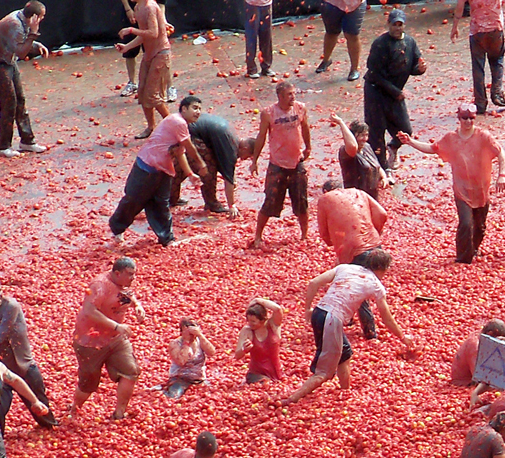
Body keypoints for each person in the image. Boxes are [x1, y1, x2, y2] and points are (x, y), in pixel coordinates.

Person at [298, 248, 415, 401]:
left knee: (345, 353)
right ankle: (291, 399)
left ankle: (345, 392)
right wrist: (402, 337)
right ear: (384, 268)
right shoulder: (375, 285)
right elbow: (386, 318)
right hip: (331, 319)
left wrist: (308, 308)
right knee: (324, 372)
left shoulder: (345, 268)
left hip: (318, 313)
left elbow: (314, 283)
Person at [398, 108, 505, 265]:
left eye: (471, 118)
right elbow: (433, 148)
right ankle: (463, 259)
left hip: (481, 190)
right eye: (465, 118)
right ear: (459, 119)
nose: (468, 121)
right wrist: (410, 142)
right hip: (462, 189)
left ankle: (473, 249)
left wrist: (501, 175)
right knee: (466, 223)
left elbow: (501, 154)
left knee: (480, 226)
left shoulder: (484, 136)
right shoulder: (451, 138)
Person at [108, 93, 203, 248]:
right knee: (134, 199)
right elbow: (189, 148)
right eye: (194, 108)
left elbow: (180, 153)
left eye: (199, 109)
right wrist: (201, 164)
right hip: (148, 165)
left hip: (163, 169)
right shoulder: (177, 121)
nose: (198, 112)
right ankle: (117, 227)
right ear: (184, 109)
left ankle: (167, 238)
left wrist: (190, 174)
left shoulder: (183, 127)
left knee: (161, 203)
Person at [0, 277, 57, 429]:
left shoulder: (11, 306)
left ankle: (50, 428)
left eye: (0, 290)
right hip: (2, 369)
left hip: (23, 365)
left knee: (41, 408)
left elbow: (1, 335)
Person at [71, 258, 145, 421]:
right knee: (88, 384)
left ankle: (119, 414)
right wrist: (116, 326)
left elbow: (127, 295)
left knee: (131, 371)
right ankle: (74, 409)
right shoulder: (99, 285)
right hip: (90, 342)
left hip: (115, 338)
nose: (133, 278)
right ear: (117, 273)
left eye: (134, 274)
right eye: (129, 274)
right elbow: (89, 310)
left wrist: (137, 306)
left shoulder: (124, 284)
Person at [0, 2, 51, 157]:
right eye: (41, 17)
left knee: (20, 100)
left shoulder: (21, 19)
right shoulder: (15, 24)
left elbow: (18, 42)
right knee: (9, 103)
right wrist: (34, 34)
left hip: (7, 61)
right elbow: (21, 52)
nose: (42, 20)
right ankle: (3, 146)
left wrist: (36, 44)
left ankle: (27, 141)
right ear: (34, 17)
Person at [249, 81, 313, 248]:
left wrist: (308, 147)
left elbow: (305, 127)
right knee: (270, 201)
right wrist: (254, 160)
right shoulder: (269, 113)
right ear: (280, 96)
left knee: (301, 201)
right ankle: (258, 236)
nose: (293, 97)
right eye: (289, 94)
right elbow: (261, 137)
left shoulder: (300, 108)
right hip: (277, 165)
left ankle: (304, 236)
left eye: (294, 93)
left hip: (297, 163)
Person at [363, 10, 425, 172]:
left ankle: (393, 148)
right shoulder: (380, 44)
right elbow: (374, 73)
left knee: (405, 130)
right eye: (394, 25)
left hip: (395, 93)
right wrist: (395, 91)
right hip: (376, 92)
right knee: (376, 132)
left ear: (404, 25)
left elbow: (413, 66)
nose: (397, 28)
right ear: (388, 24)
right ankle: (382, 169)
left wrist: (420, 69)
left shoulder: (410, 43)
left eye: (400, 25)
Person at [172, 109, 246, 216]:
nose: (243, 159)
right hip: (191, 135)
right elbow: (228, 177)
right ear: (245, 148)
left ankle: (170, 197)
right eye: (248, 156)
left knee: (182, 166)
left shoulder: (232, 138)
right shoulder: (232, 148)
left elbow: (227, 168)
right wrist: (232, 205)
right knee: (207, 168)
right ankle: (211, 203)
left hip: (187, 130)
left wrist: (232, 178)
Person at [118, 0, 171, 138]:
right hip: (149, 55)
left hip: (160, 54)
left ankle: (174, 126)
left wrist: (131, 30)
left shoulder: (150, 7)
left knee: (153, 95)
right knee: (142, 92)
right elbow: (143, 36)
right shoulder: (138, 7)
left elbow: (153, 33)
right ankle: (151, 126)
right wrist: (127, 47)